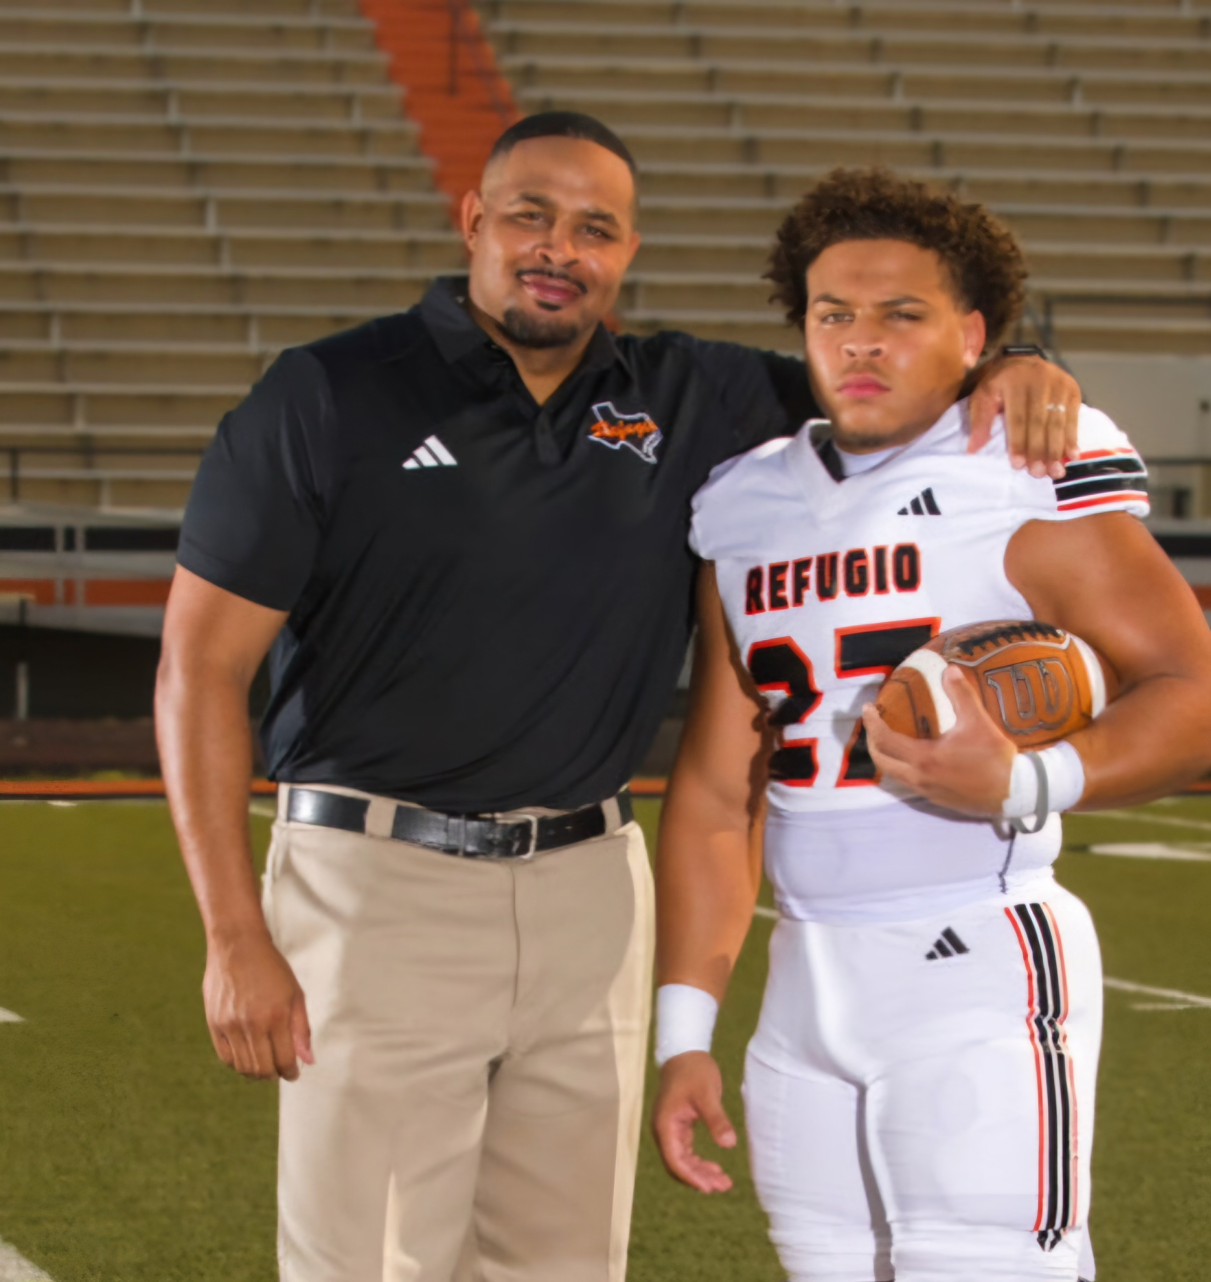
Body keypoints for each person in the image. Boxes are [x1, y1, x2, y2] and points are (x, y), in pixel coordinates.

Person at [155, 113, 1084, 1282]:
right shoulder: (329, 394)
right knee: (367, 1263)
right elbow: (199, 668)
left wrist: (1016, 364)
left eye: (594, 229)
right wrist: (233, 935)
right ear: (473, 223)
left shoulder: (691, 399)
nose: (558, 248)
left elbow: (883, 376)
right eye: (530, 215)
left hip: (590, 887)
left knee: (563, 1263)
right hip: (375, 884)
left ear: (627, 251)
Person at [650, 169, 1211, 1282]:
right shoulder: (741, 502)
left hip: (974, 953)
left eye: (900, 315)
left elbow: (1201, 703)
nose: (859, 342)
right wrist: (684, 1031)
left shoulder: (1014, 468)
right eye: (833, 315)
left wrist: (1026, 782)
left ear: (971, 333)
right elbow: (715, 784)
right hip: (804, 976)